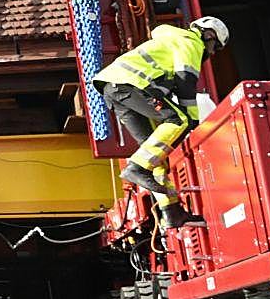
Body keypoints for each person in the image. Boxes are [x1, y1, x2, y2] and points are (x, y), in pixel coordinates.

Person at [92, 15, 230, 229]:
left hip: (114, 89)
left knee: (154, 153)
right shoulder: (191, 42)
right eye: (214, 47)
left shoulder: (171, 39)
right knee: (180, 119)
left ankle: (172, 213)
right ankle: (137, 169)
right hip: (131, 85)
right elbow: (186, 83)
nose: (211, 53)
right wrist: (193, 121)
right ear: (208, 35)